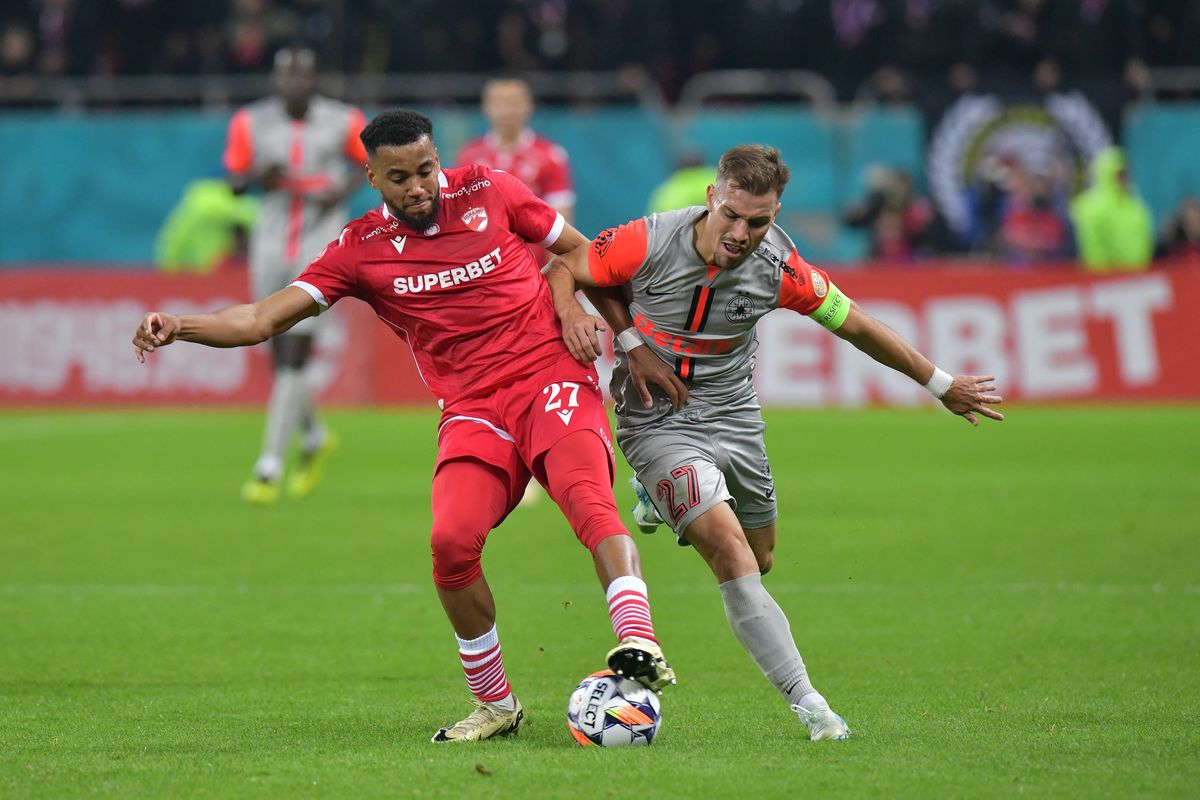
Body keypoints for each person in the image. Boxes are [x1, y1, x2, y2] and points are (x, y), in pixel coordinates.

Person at [132, 109, 675, 743]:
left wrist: (580, 313)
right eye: (399, 178)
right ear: (372, 178)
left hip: (550, 375)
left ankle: (638, 640)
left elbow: (585, 254)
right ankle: (495, 705)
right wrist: (181, 325)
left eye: (425, 170)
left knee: (588, 501)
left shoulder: (491, 190)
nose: (418, 187)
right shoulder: (358, 250)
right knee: (451, 543)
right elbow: (260, 320)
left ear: (438, 158)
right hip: (472, 407)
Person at [546, 144, 1004, 742]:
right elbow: (565, 268)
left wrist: (940, 384)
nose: (741, 234)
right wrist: (610, 333)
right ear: (711, 197)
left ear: (775, 214)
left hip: (736, 416)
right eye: (732, 215)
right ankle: (814, 709)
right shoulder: (648, 240)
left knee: (761, 559)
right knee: (732, 556)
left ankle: (658, 496)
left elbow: (857, 324)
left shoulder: (780, 267)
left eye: (758, 222)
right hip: (658, 419)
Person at [223, 47, 367, 504]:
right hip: (270, 236)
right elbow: (234, 182)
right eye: (288, 75)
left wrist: (341, 191)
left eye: (303, 75)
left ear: (315, 78)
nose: (295, 83)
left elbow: (374, 162)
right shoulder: (250, 121)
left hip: (318, 239)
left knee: (295, 352)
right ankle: (315, 436)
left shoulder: (343, 119)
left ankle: (268, 466)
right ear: (276, 80)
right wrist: (257, 175)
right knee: (270, 339)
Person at [456, 75, 575, 508]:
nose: (507, 110)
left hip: (534, 284)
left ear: (528, 107)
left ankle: (542, 462)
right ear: (487, 108)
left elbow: (560, 219)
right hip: (482, 288)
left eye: (514, 102)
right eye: (499, 102)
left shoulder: (549, 156)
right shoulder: (470, 157)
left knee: (539, 374)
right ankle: (499, 460)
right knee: (489, 376)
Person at [1069, 147, 1154, 272]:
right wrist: (1104, 274)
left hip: (1138, 275)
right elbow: (1092, 247)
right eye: (1119, 175)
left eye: (1125, 174)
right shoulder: (1090, 206)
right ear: (1106, 175)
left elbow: (1145, 239)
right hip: (1106, 276)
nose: (1124, 179)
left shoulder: (1135, 204)